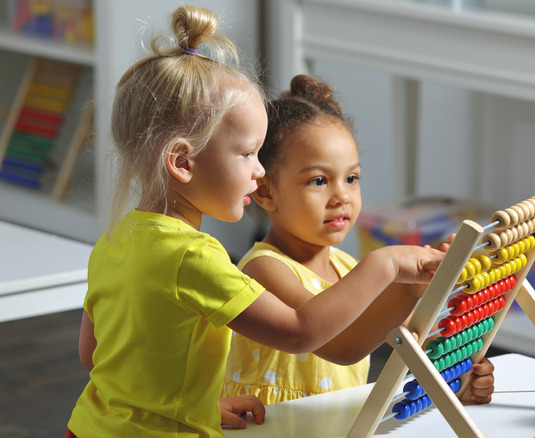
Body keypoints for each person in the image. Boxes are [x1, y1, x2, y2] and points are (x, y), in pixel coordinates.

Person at [67, 7, 445, 437]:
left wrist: (195, 400)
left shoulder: (116, 240)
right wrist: (387, 264)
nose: (259, 171)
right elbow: (301, 333)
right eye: (247, 154)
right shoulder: (194, 256)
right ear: (183, 162)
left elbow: (95, 353)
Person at [222, 74, 495, 407]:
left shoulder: (348, 269)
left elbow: (420, 345)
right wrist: (391, 269)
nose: (342, 196)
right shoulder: (263, 270)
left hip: (336, 426)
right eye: (319, 180)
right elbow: (343, 344)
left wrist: (459, 376)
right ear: (266, 191)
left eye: (352, 178)